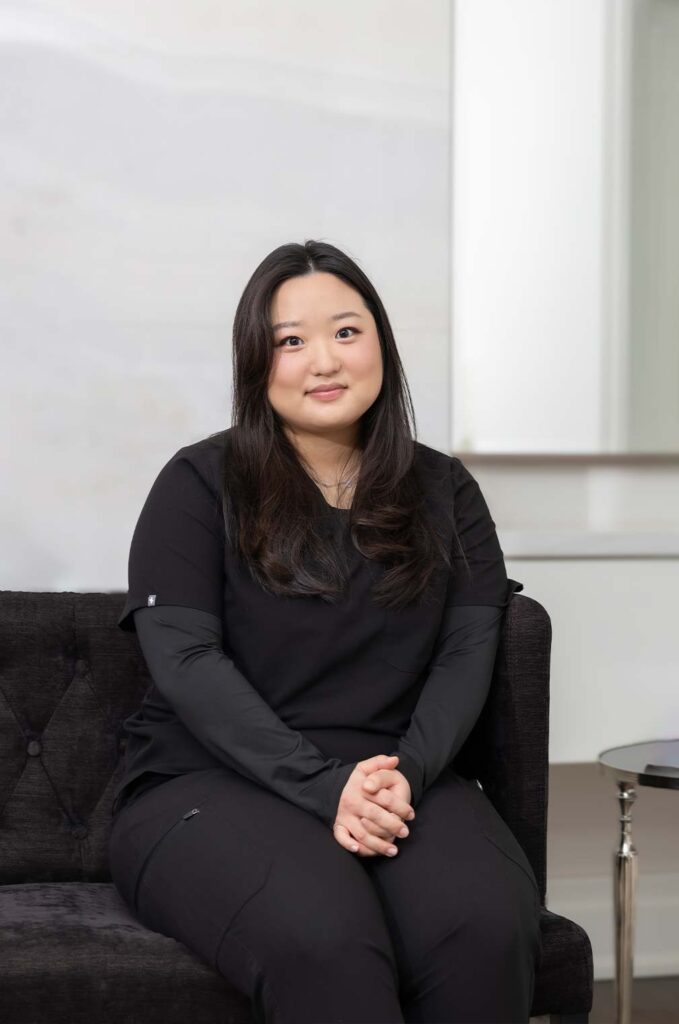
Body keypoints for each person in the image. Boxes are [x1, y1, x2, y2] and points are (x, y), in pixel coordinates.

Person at [108, 239, 541, 1024]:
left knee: (482, 930)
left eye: (346, 331)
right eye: (290, 341)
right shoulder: (198, 483)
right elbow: (187, 660)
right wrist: (321, 785)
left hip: (397, 776)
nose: (324, 361)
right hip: (208, 780)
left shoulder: (445, 488)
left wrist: (406, 775)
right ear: (255, 361)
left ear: (381, 343)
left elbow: (466, 651)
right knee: (324, 939)